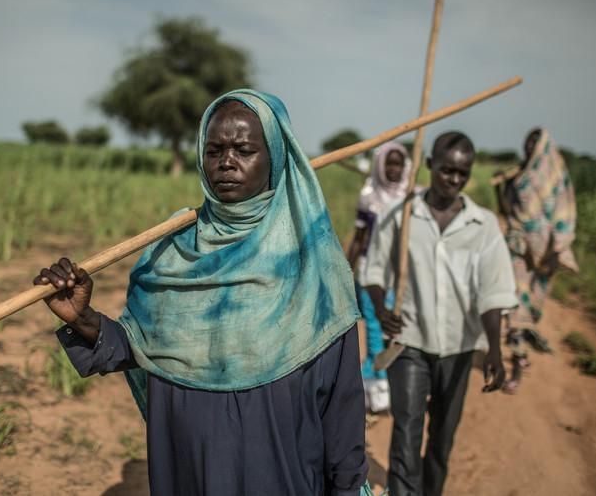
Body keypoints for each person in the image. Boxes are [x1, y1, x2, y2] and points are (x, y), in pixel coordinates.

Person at [34, 90, 371, 496]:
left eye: (244, 149)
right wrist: (83, 319)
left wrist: (349, 488)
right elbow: (140, 347)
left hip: (284, 474)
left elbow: (343, 404)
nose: (226, 162)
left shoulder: (313, 262)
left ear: (276, 158)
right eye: (214, 150)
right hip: (188, 472)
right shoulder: (174, 250)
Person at [364, 131, 518, 496]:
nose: (453, 179)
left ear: (470, 174)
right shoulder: (400, 214)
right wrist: (380, 306)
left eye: (462, 173)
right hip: (410, 342)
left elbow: (494, 292)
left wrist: (494, 349)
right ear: (431, 165)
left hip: (459, 346)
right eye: (446, 170)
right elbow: (373, 271)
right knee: (406, 432)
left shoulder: (483, 226)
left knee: (443, 436)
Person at [495, 127, 578, 393]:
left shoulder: (555, 174)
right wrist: (503, 186)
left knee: (531, 307)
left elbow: (565, 211)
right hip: (519, 248)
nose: (529, 147)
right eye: (527, 142)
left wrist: (557, 247)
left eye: (534, 142)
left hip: (543, 252)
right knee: (516, 306)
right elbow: (507, 210)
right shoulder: (520, 173)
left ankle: (522, 352)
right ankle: (517, 367)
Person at [345, 141, 412, 412]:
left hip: (399, 274)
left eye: (399, 163)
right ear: (381, 166)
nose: (394, 169)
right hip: (369, 271)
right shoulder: (369, 196)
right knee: (373, 324)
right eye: (389, 164)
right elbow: (360, 238)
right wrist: (346, 272)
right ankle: (379, 385)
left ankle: (373, 376)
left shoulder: (410, 198)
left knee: (394, 327)